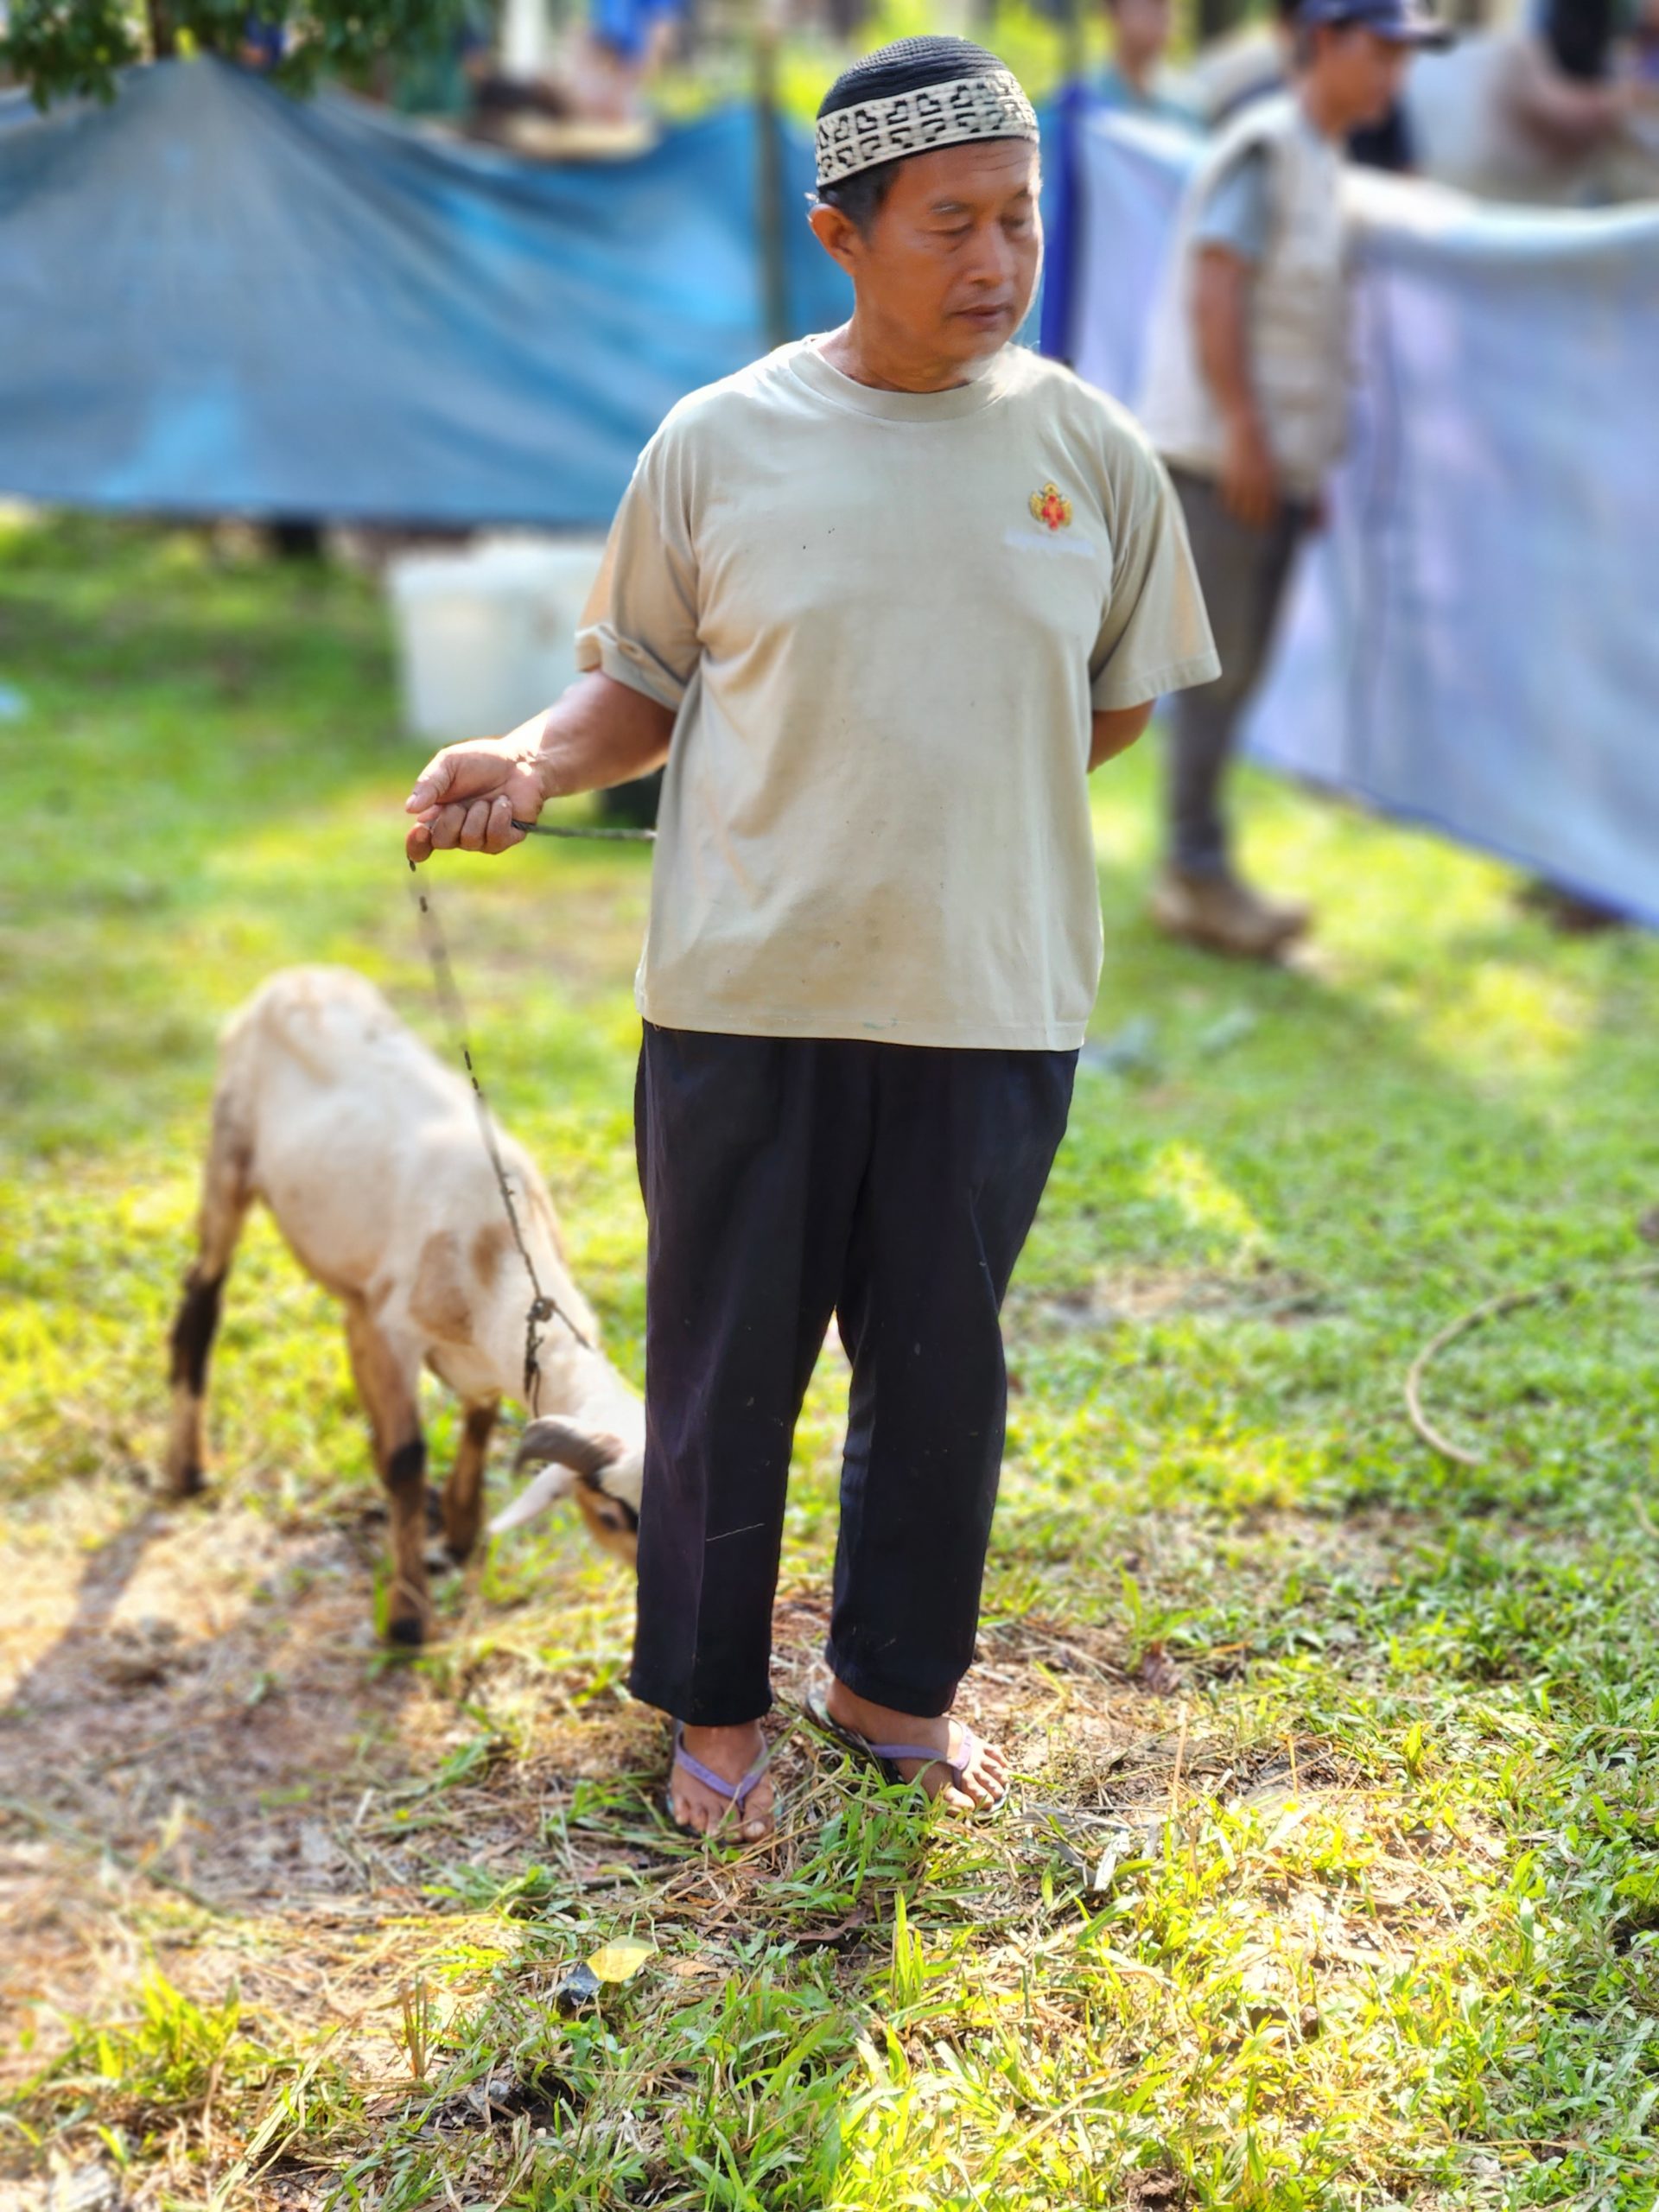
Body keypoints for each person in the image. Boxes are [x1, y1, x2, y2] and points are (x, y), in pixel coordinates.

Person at [405, 35, 1218, 1840]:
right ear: (842, 234)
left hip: (991, 996)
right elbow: (634, 688)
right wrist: (528, 759)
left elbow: (1106, 707)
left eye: (1020, 218)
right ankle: (711, 1705)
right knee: (725, 1376)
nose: (997, 259)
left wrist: (946, 809)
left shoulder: (1092, 452)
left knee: (940, 1372)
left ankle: (892, 1684)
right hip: (746, 996)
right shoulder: (718, 445)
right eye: (951, 224)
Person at [1136, 0, 1448, 959]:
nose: (1395, 72)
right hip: (1221, 459)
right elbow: (1217, 283)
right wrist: (1244, 430)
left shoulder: (1322, 160)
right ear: (1323, 41)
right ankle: (1193, 871)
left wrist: (1297, 459)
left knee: (1239, 669)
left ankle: (1198, 866)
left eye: (1403, 54)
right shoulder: (1268, 147)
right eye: (1381, 49)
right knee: (1217, 670)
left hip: (1271, 463)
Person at [1098, 0, 1196, 122]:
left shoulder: (1189, 104)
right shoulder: (1084, 105)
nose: (1163, 11)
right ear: (1113, 11)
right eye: (1149, 3)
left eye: (1166, 4)